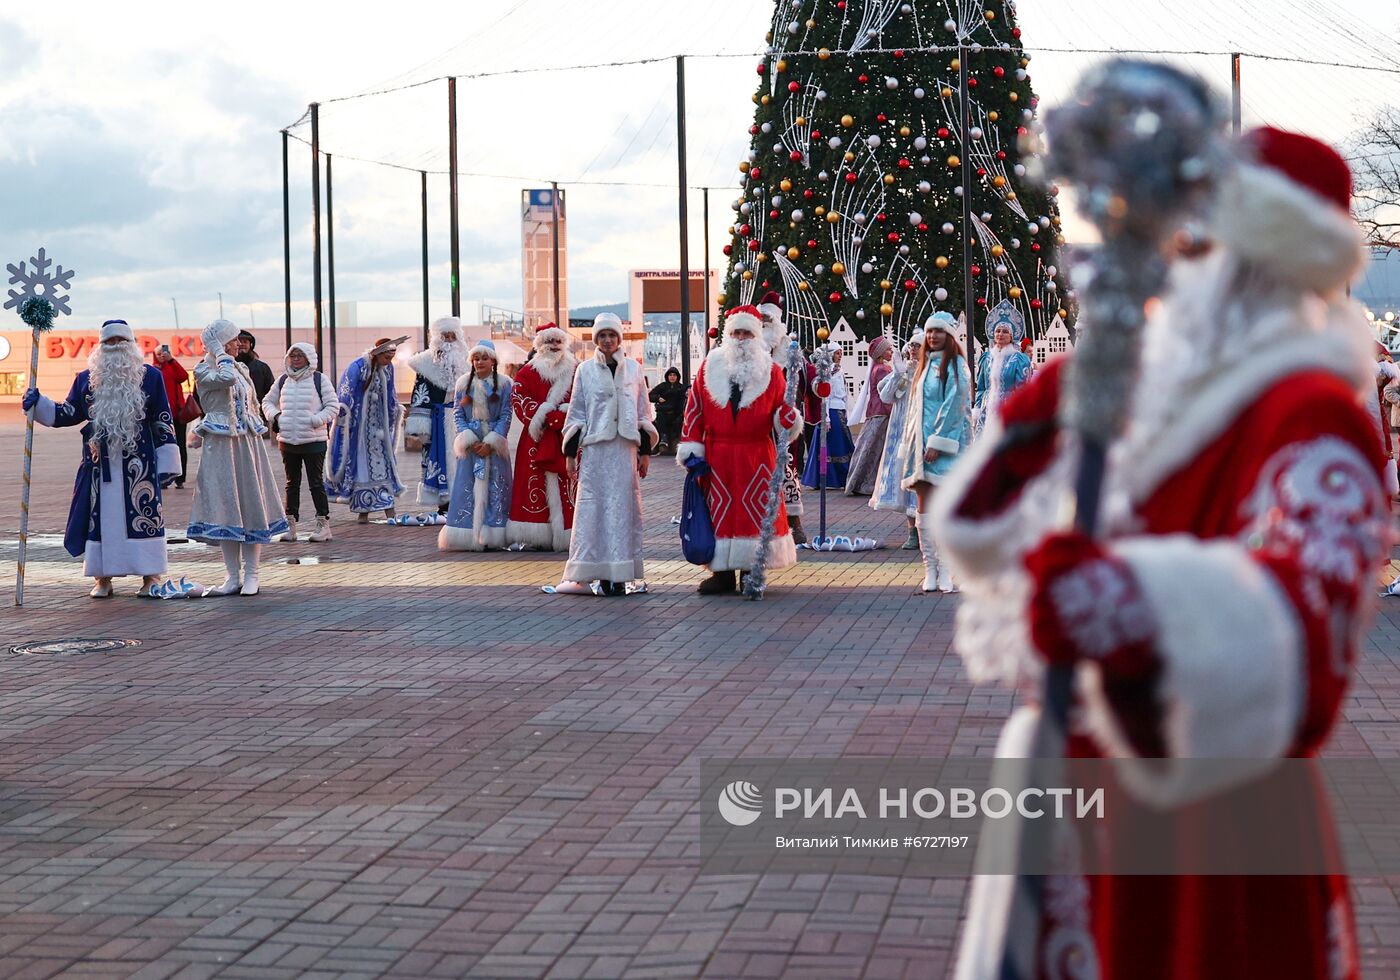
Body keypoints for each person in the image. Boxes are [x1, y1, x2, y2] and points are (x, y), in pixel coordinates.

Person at [934, 128, 1386, 980]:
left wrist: (1119, 599)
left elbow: (1307, 631)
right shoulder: (1152, 392)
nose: (1174, 266)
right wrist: (1028, 429)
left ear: (1263, 262)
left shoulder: (1314, 412)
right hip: (1088, 797)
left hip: (1215, 819)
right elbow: (980, 533)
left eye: (1197, 243)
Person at [23, 319, 180, 597]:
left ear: (131, 345)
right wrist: (40, 404)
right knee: (99, 517)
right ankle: (102, 577)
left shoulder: (151, 377)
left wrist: (167, 461)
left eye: (121, 341)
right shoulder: (86, 378)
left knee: (142, 516)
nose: (115, 347)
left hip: (139, 464)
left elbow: (162, 418)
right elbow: (69, 412)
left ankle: (150, 576)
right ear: (100, 346)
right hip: (99, 463)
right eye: (109, 342)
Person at [677, 305, 804, 594]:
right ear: (728, 335)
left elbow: (782, 412)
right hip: (717, 455)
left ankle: (751, 569)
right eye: (736, 332)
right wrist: (691, 447)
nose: (741, 337)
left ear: (757, 335)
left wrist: (788, 419)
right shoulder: (709, 368)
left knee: (754, 512)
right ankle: (721, 573)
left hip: (756, 455)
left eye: (747, 332)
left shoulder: (772, 372)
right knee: (718, 511)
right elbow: (693, 410)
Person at [552, 313, 656, 596]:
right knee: (593, 509)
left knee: (622, 511)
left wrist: (644, 452)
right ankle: (590, 570)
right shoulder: (584, 370)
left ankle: (621, 575)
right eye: (602, 336)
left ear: (619, 339)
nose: (608, 340)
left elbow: (643, 412)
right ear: (596, 339)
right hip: (597, 452)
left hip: (624, 451)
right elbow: (576, 413)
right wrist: (571, 455)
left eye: (612, 335)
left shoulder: (634, 370)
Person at [187, 319, 289, 596]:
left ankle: (253, 574)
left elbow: (247, 399)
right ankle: (233, 576)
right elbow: (225, 379)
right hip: (221, 444)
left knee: (250, 503)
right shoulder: (204, 368)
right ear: (219, 344)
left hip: (246, 443)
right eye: (232, 340)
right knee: (226, 506)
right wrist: (219, 354)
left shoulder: (241, 368)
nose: (238, 344)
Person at [897, 311, 970, 593]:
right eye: (929, 332)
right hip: (920, 450)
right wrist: (911, 442)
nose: (933, 336)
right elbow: (914, 411)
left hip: (945, 448)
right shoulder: (924, 367)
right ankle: (930, 567)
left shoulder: (955, 367)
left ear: (949, 335)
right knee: (924, 504)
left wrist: (938, 442)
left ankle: (947, 569)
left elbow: (954, 407)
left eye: (938, 331)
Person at [507, 323, 577, 551]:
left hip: (567, 436)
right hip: (536, 438)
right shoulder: (527, 372)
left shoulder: (577, 370)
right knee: (534, 484)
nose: (554, 346)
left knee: (570, 483)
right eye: (549, 342)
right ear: (540, 345)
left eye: (558, 341)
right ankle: (537, 535)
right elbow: (518, 398)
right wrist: (545, 415)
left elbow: (585, 399)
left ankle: (573, 532)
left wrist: (564, 414)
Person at [262, 342, 339, 542]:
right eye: (292, 355)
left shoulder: (319, 380)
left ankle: (323, 525)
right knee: (291, 483)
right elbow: (266, 402)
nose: (295, 359)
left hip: (314, 440)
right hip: (288, 440)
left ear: (309, 358)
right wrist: (277, 417)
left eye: (299, 355)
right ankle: (290, 525)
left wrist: (315, 420)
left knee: (315, 483)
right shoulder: (282, 380)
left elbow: (333, 406)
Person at [440, 339, 513, 551]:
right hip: (471, 444)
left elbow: (506, 414)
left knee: (496, 486)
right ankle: (466, 533)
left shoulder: (505, 384)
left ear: (493, 360)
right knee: (467, 486)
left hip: (494, 442)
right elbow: (457, 413)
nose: (480, 362)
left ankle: (494, 533)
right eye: (476, 358)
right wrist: (468, 438)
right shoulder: (463, 384)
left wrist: (492, 441)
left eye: (484, 358)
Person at [326, 337, 405, 522]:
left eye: (391, 358)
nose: (389, 361)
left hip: (379, 428)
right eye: (386, 357)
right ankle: (364, 509)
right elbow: (345, 394)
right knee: (361, 467)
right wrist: (346, 419)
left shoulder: (388, 368)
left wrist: (394, 411)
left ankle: (388, 508)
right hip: (360, 431)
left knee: (384, 466)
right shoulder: (358, 367)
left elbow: (391, 393)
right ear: (378, 354)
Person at [405, 316, 469, 511]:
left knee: (464, 460)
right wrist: (421, 427)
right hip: (438, 420)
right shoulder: (425, 364)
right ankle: (444, 504)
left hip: (462, 421)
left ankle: (464, 499)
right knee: (440, 460)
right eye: (445, 336)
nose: (449, 340)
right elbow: (420, 395)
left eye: (452, 335)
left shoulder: (467, 362)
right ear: (436, 338)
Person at [759, 291, 808, 544]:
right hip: (754, 421)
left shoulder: (789, 347)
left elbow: (801, 382)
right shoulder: (753, 346)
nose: (764, 321)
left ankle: (793, 523)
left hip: (781, 419)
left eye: (768, 317)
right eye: (761, 317)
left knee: (786, 469)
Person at [870, 330, 924, 548]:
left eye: (917, 346)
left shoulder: (930, 370)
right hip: (901, 428)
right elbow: (886, 396)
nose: (912, 349)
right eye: (911, 345)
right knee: (904, 475)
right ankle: (912, 531)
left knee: (921, 479)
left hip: (921, 427)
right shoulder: (901, 370)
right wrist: (898, 375)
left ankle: (924, 529)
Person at [972, 301, 1035, 438]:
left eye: (1005, 331)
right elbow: (981, 387)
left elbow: (1023, 389)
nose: (1000, 334)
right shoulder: (987, 357)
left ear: (1012, 336)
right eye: (998, 331)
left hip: (1008, 408)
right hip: (986, 409)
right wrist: (977, 409)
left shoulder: (1019, 359)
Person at [844, 335, 896, 496]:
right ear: (880, 353)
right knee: (877, 449)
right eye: (888, 349)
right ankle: (869, 482)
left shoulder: (877, 368)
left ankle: (858, 481)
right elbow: (886, 394)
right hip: (882, 413)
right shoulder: (883, 369)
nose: (891, 351)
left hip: (874, 412)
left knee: (868, 448)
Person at [801, 343, 855, 489]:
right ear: (831, 355)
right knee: (835, 445)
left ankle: (842, 478)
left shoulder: (839, 370)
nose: (840, 356)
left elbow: (844, 393)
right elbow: (826, 396)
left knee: (841, 444)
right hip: (831, 411)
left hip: (840, 411)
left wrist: (847, 412)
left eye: (841, 353)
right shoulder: (827, 372)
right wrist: (826, 418)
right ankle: (828, 478)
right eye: (837, 353)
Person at [152, 344, 190, 488]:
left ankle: (180, 478)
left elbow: (183, 376)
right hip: (160, 416)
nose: (162, 355)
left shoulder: (172, 366)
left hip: (177, 415)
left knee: (180, 447)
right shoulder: (153, 369)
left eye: (164, 353)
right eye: (159, 353)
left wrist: (172, 360)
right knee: (162, 447)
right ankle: (163, 477)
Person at [648, 367, 687, 455]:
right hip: (663, 413)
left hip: (675, 414)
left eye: (674, 375)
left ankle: (674, 443)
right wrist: (658, 398)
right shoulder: (663, 386)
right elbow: (650, 395)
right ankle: (663, 439)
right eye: (670, 375)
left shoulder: (680, 387)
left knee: (678, 423)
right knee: (659, 419)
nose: (672, 377)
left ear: (677, 377)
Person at [235, 329, 275, 410]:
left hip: (258, 414)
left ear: (250, 345)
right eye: (239, 341)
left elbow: (271, 394)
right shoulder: (226, 366)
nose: (242, 344)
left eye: (245, 342)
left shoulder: (263, 368)